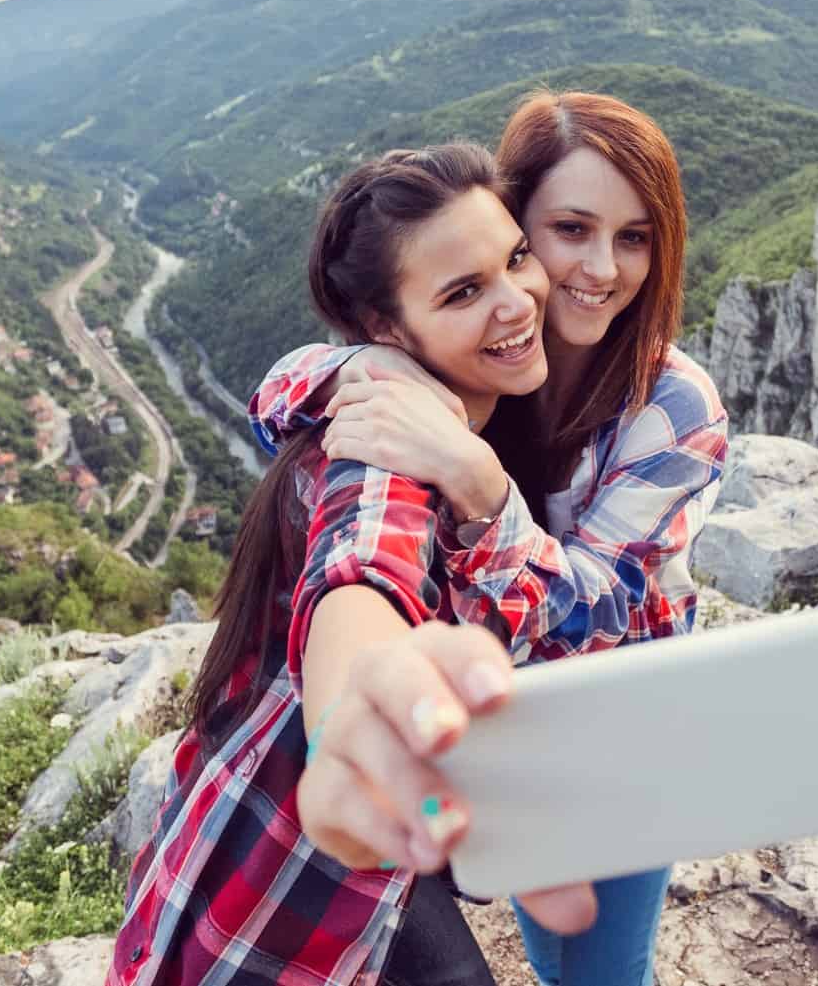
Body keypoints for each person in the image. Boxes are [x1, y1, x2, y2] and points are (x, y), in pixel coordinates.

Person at [247, 92, 730, 986]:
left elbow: (592, 608)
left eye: (634, 238)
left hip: (620, 717)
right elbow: (279, 395)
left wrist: (477, 482)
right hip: (492, 723)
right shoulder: (481, 348)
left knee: (596, 965)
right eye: (569, 229)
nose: (599, 269)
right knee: (540, 927)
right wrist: (366, 365)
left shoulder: (672, 406)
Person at [110, 144, 595, 986]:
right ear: (385, 327)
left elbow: (282, 390)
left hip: (317, 871)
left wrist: (480, 480)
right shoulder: (384, 458)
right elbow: (364, 568)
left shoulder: (419, 408)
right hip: (265, 915)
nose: (517, 302)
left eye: (514, 257)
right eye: (462, 291)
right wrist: (352, 718)